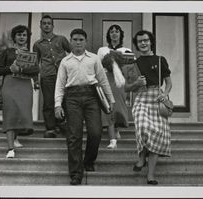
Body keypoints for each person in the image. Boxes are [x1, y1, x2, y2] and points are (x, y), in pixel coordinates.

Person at [54, 28, 115, 185]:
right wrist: (57, 105)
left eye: (81, 39)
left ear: (85, 41)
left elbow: (103, 80)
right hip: (72, 98)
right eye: (75, 39)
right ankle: (75, 173)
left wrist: (111, 100)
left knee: (95, 132)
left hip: (91, 97)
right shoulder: (65, 62)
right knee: (74, 135)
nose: (78, 42)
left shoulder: (94, 59)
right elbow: (60, 85)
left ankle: (88, 161)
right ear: (71, 41)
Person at [125, 30, 172, 185]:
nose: (143, 43)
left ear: (151, 41)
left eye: (146, 40)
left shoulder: (160, 59)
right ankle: (141, 157)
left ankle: (150, 175)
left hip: (156, 97)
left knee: (156, 134)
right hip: (140, 98)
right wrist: (136, 83)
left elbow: (169, 82)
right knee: (143, 127)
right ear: (137, 44)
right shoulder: (133, 64)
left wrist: (165, 94)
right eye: (140, 41)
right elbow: (127, 87)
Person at [0, 25, 39, 158]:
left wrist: (23, 71)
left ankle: (15, 137)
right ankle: (10, 149)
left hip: (25, 85)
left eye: (24, 35)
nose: (22, 37)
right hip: (10, 85)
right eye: (19, 34)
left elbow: (35, 70)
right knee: (10, 112)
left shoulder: (30, 54)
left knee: (22, 112)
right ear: (14, 37)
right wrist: (11, 68)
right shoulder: (7, 52)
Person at [33, 15, 71, 138]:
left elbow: (73, 54)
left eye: (49, 23)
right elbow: (35, 62)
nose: (47, 25)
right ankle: (51, 128)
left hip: (63, 76)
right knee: (49, 102)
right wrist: (35, 80)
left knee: (65, 100)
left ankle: (63, 124)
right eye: (44, 23)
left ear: (53, 26)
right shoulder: (37, 44)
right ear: (40, 26)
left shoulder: (61, 39)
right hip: (47, 76)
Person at [97, 24, 133, 149]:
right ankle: (112, 140)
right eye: (111, 31)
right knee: (108, 107)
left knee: (118, 107)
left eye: (116, 31)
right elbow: (98, 68)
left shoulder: (126, 50)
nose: (114, 33)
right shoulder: (102, 50)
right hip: (107, 80)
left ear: (120, 34)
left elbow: (130, 69)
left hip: (120, 81)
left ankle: (117, 128)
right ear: (109, 35)